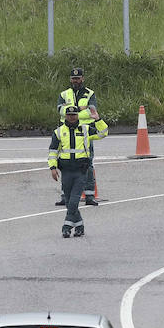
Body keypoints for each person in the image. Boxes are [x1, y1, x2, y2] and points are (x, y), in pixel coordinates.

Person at [48, 105, 104, 239]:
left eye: (74, 115)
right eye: (69, 115)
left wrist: (98, 120)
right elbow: (53, 151)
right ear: (65, 116)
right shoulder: (59, 132)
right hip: (66, 171)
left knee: (74, 201)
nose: (72, 117)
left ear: (77, 116)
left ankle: (66, 227)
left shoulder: (85, 129)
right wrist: (52, 168)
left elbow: (103, 133)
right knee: (68, 201)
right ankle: (79, 226)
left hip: (80, 171)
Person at [55, 66, 105, 207]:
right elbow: (60, 110)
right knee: (65, 164)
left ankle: (89, 196)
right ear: (70, 79)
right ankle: (65, 196)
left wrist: (71, 110)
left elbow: (92, 111)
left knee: (87, 164)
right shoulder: (64, 94)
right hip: (66, 131)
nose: (75, 81)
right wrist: (80, 109)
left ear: (82, 78)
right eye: (73, 78)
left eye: (77, 78)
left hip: (85, 132)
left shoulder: (90, 94)